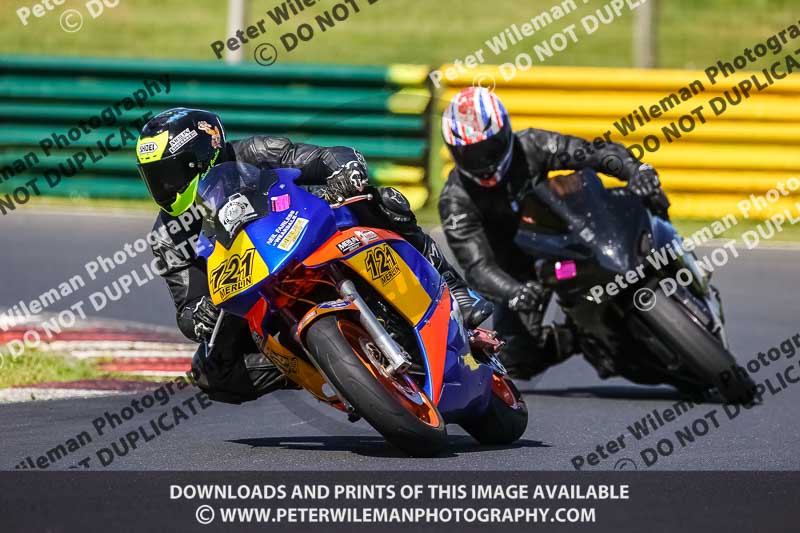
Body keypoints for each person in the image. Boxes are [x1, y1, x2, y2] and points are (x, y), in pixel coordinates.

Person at [135, 107, 492, 404]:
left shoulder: (255, 152)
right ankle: (323, 368)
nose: (163, 188)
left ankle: (453, 287)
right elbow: (186, 310)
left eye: (170, 174)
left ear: (202, 156)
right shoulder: (168, 235)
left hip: (310, 231)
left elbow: (325, 157)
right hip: (255, 291)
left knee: (384, 201)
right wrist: (202, 313)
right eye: (154, 178)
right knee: (210, 372)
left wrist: (344, 172)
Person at [438, 87, 669, 379]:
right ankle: (579, 337)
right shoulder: (455, 200)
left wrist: (636, 170)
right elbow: (477, 266)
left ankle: (672, 256)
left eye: (489, 149)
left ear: (505, 134)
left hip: (565, 235)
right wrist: (514, 292)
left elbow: (594, 153)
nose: (483, 162)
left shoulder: (533, 145)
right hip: (520, 271)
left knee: (647, 195)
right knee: (514, 358)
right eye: (471, 155)